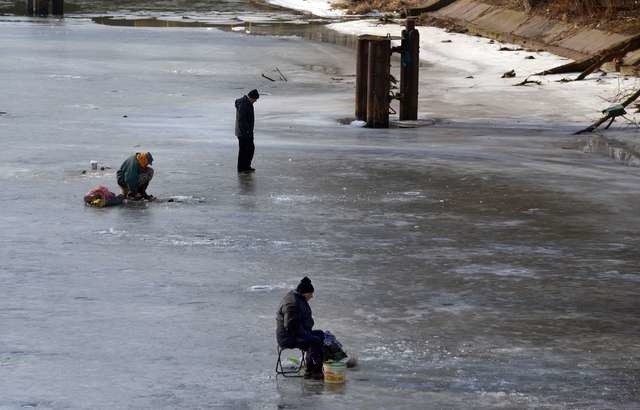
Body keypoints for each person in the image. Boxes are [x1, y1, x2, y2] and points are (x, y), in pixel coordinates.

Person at [276, 277, 325, 380]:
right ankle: (314, 372)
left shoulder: (298, 298)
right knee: (314, 341)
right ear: (304, 293)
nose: (312, 296)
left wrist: (307, 332)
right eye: (311, 294)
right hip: (288, 338)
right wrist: (306, 335)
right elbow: (290, 326)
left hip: (297, 333)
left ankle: (311, 367)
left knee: (320, 334)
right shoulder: (291, 303)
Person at [235, 89, 259, 173]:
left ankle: (246, 166)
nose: (255, 101)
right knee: (244, 150)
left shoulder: (248, 103)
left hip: (247, 132)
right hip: (243, 133)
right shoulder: (243, 104)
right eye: (255, 99)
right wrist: (247, 131)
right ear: (251, 97)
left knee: (250, 149)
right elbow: (241, 119)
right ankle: (242, 168)